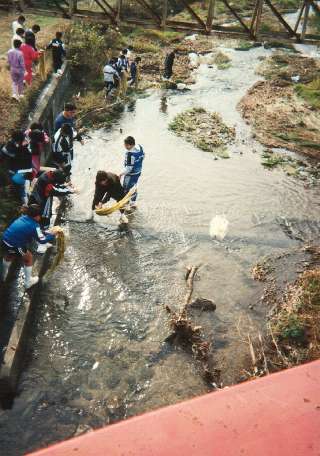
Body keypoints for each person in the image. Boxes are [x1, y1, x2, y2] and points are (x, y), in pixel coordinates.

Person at [1, 204, 55, 289]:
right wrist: (52, 234)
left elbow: (35, 232)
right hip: (14, 245)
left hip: (4, 241)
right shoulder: (35, 225)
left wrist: (45, 232)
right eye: (40, 216)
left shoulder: (23, 217)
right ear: (37, 216)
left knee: (9, 255)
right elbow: (42, 240)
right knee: (29, 258)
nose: (40, 218)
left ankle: (2, 276)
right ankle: (28, 282)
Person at [2, 130, 32, 204]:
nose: (25, 140)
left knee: (19, 186)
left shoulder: (9, 146)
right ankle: (25, 204)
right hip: (17, 171)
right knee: (21, 189)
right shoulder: (19, 149)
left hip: (14, 170)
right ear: (19, 140)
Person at [119, 136, 145, 209]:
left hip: (131, 175)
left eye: (125, 145)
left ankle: (125, 204)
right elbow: (144, 156)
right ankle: (133, 203)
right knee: (134, 187)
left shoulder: (130, 154)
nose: (124, 146)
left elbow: (129, 169)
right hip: (138, 172)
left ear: (129, 145)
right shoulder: (140, 147)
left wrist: (120, 174)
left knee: (126, 189)